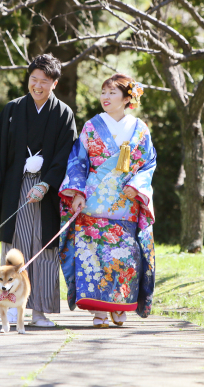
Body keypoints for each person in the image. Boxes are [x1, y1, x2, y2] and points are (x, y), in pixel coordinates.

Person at [0, 54, 77, 327]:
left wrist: (47, 183)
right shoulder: (13, 109)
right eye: (33, 79)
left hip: (46, 190)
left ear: (54, 83)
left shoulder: (64, 114)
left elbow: (66, 154)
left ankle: (39, 312)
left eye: (44, 81)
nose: (37, 86)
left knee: (43, 249)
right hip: (16, 186)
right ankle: (12, 312)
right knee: (14, 248)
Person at [58, 73, 156, 328]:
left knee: (124, 257)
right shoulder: (91, 126)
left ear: (127, 98)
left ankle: (120, 305)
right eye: (103, 92)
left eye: (112, 93)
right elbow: (78, 161)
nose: (105, 97)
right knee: (93, 257)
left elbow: (148, 164)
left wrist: (137, 186)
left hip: (125, 202)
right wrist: (77, 193)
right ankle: (99, 310)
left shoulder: (140, 129)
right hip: (93, 201)